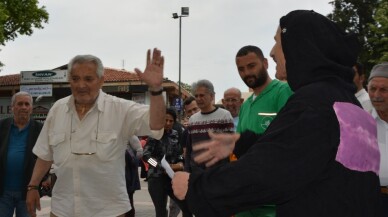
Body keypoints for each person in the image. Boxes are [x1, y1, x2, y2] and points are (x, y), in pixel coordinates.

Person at [172, 10, 381, 217]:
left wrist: (197, 188)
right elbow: (302, 153)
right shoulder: (348, 104)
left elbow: (268, 173)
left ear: (299, 46)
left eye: (278, 42)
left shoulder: (315, 103)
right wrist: (242, 143)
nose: (272, 52)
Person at [26, 49, 166, 217]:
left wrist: (156, 89)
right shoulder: (57, 109)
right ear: (69, 80)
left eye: (88, 79)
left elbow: (157, 124)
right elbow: (45, 154)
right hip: (63, 209)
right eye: (75, 79)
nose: (81, 85)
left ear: (101, 81)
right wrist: (33, 186)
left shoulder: (120, 109)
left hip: (108, 211)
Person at [234, 45, 294, 217]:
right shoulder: (245, 106)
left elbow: (290, 144)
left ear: (265, 63)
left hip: (273, 201)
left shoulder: (284, 92)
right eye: (241, 69)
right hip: (245, 199)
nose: (246, 73)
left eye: (251, 66)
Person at [0, 91, 43, 217]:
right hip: (3, 193)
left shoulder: (40, 129)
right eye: (20, 104)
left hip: (28, 192)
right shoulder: (1, 126)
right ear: (12, 107)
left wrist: (43, 179)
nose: (24, 107)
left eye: (27, 104)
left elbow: (45, 156)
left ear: (31, 108)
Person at [143, 108, 192, 217]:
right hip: (156, 178)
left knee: (185, 205)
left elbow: (179, 153)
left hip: (172, 177)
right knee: (161, 211)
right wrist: (160, 166)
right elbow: (146, 156)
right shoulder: (153, 135)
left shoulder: (175, 134)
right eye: (165, 120)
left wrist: (179, 163)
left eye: (171, 121)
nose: (168, 123)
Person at [185, 79, 234, 173]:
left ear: (212, 96)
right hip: (196, 172)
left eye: (202, 95)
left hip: (217, 172)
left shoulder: (224, 116)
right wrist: (187, 169)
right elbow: (189, 148)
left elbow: (230, 146)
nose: (198, 98)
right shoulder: (192, 119)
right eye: (196, 96)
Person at [367, 62, 388, 217]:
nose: (376, 95)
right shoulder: (362, 122)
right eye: (373, 89)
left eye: (384, 90)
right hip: (372, 199)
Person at [125, 136, 143, 217]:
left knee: (128, 200)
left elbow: (141, 152)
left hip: (128, 173)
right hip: (119, 173)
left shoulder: (131, 136)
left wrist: (133, 161)